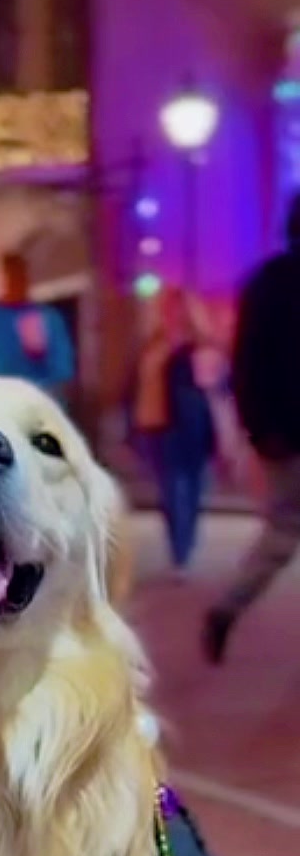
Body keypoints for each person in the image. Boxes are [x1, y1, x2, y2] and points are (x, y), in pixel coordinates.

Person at [203, 194, 300, 662]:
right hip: (286, 428)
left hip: (279, 433)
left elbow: (245, 363)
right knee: (282, 531)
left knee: (281, 532)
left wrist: (258, 428)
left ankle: (228, 606)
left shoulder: (264, 283)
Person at [132, 286, 219, 575]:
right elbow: (135, 387)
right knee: (171, 491)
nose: (174, 315)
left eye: (179, 309)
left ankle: (185, 548)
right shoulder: (155, 346)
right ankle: (180, 550)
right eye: (169, 309)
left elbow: (214, 389)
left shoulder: (199, 347)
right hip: (162, 426)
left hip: (194, 426)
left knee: (192, 489)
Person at [0, 251, 75, 399]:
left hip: (30, 409)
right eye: (5, 276)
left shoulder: (44, 319)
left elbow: (61, 371)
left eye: (18, 277)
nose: (12, 283)